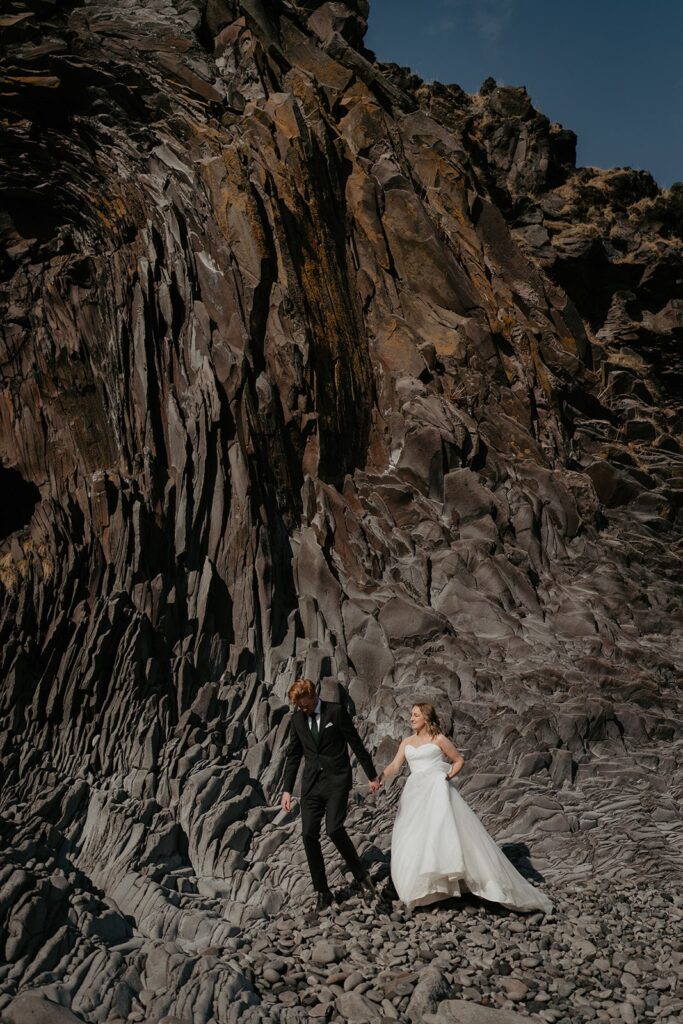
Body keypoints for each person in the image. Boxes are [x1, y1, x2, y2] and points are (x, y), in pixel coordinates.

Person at [380, 703, 553, 913]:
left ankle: (454, 882)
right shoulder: (407, 742)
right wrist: (379, 778)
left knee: (438, 834)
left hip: (436, 792)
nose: (411, 718)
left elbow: (458, 760)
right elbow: (395, 765)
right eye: (411, 714)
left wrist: (446, 777)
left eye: (415, 715)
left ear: (426, 718)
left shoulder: (439, 739)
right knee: (413, 836)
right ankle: (419, 888)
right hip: (414, 794)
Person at [281, 677, 381, 911]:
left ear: (312, 695)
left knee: (334, 829)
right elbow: (293, 755)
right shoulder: (297, 719)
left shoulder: (335, 712)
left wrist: (372, 775)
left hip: (337, 781)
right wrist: (287, 789)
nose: (301, 709)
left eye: (303, 704)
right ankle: (323, 892)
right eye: (298, 706)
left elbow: (356, 743)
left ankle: (362, 878)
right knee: (308, 834)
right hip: (311, 785)